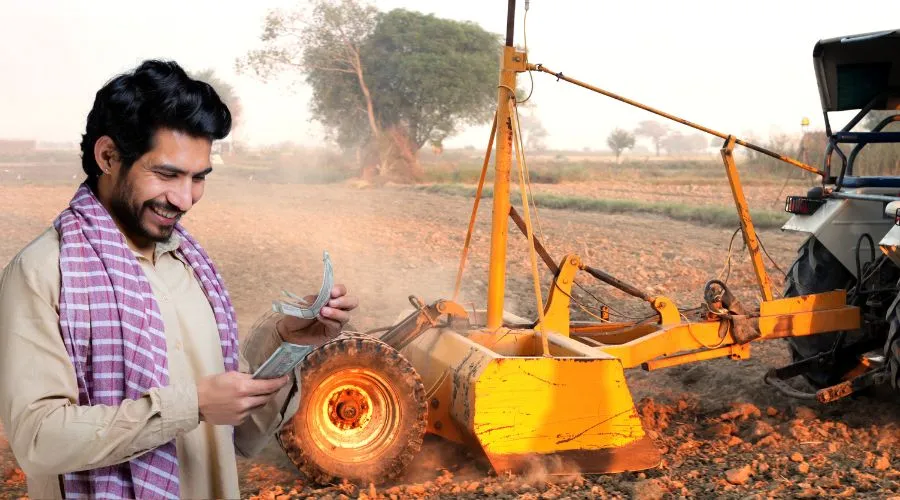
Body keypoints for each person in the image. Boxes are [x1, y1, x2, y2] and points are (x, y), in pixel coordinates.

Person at [0, 60, 358, 499]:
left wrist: (288, 341)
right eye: (167, 174)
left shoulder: (190, 266)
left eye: (198, 178)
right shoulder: (44, 272)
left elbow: (239, 432)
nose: (184, 199)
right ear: (108, 156)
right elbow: (38, 440)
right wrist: (192, 405)